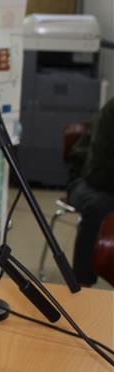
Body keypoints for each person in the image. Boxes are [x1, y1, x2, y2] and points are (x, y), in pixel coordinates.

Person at [67, 98, 114, 286]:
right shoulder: (112, 113)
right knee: (100, 206)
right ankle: (82, 283)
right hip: (89, 179)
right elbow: (100, 173)